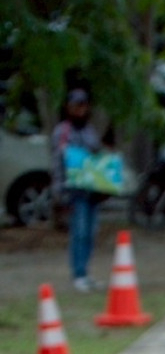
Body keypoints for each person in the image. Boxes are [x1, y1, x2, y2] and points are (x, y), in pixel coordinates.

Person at [51, 85, 103, 293]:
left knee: (90, 232)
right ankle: (78, 274)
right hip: (74, 190)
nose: (80, 110)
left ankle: (86, 272)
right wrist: (59, 190)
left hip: (92, 189)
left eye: (83, 106)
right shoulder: (62, 131)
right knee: (79, 232)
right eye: (76, 106)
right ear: (68, 108)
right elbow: (58, 162)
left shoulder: (90, 130)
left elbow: (97, 155)